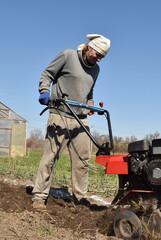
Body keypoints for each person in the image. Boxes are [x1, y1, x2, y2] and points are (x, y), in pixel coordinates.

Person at [32, 34, 111, 209]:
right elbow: (47, 74)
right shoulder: (68, 56)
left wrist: (90, 103)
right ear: (90, 47)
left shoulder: (96, 69)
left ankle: (80, 198)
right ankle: (39, 195)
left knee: (83, 161)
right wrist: (44, 91)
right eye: (98, 55)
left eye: (102, 57)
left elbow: (89, 91)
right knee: (50, 158)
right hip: (60, 114)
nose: (99, 59)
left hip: (81, 119)